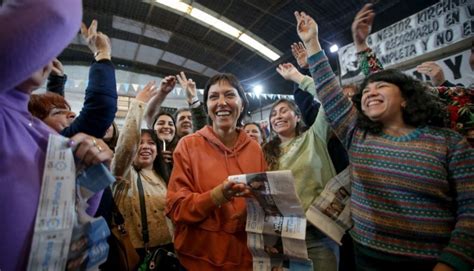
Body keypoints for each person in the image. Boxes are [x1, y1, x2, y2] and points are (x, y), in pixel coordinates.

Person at [295, 8, 474, 271]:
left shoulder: (449, 143)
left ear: (405, 98)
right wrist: (312, 42)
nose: (370, 92)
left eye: (380, 87)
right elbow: (329, 92)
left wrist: (451, 263)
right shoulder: (357, 133)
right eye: (365, 90)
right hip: (366, 259)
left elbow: (470, 211)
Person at [0, 0, 113, 269]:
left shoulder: (36, 131)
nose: (49, 59)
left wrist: (93, 169)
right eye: (43, 49)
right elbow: (54, 10)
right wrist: (102, 54)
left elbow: (77, 213)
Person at [166, 73, 267, 270]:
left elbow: (265, 198)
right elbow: (176, 209)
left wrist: (254, 209)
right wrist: (217, 196)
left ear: (242, 104)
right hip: (199, 261)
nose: (222, 103)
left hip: (246, 260)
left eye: (229, 95)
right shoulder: (188, 145)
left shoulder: (255, 149)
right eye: (214, 97)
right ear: (207, 108)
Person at [111, 83, 173, 258]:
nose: (145, 147)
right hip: (133, 253)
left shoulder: (164, 178)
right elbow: (126, 146)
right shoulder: (123, 173)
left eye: (151, 143)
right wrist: (138, 105)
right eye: (140, 142)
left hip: (167, 252)